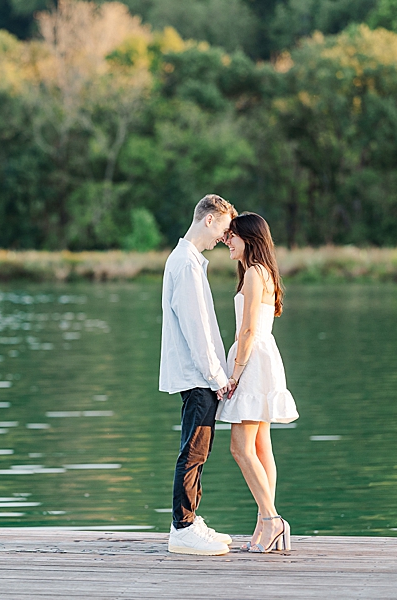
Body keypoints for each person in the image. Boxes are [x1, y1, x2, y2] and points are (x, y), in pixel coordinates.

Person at [159, 194, 237, 556]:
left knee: (197, 449)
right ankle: (183, 527)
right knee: (193, 450)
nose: (223, 237)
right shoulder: (187, 264)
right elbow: (197, 329)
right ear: (209, 219)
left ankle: (190, 520)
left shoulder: (187, 261)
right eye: (223, 228)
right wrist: (217, 377)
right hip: (197, 375)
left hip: (198, 374)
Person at [217, 212, 298, 553]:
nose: (227, 242)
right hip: (265, 357)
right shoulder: (265, 272)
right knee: (262, 446)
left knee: (240, 447)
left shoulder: (253, 273)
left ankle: (272, 520)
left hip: (251, 361)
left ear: (248, 239)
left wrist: (233, 374)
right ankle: (264, 525)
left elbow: (247, 330)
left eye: (232, 236)